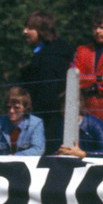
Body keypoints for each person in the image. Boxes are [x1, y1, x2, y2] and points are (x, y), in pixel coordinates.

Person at [19, 11, 73, 154]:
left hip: (49, 121)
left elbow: (47, 93)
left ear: (42, 31)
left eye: (30, 28)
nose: (24, 31)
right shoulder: (44, 53)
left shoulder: (50, 58)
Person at [55, 92, 103, 158]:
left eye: (67, 106)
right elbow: (53, 148)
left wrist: (83, 154)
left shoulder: (95, 124)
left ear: (78, 107)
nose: (63, 110)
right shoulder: (59, 126)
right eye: (62, 106)